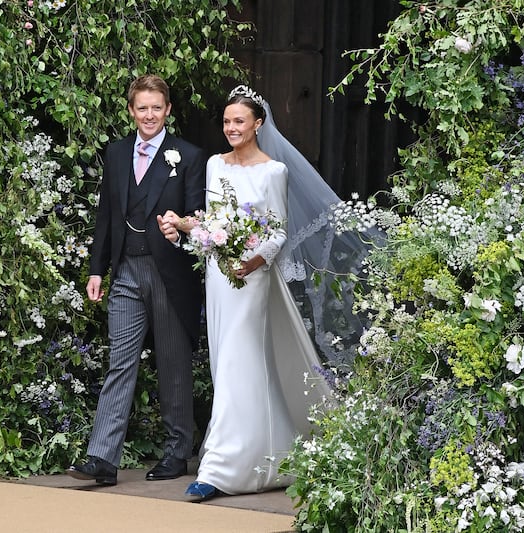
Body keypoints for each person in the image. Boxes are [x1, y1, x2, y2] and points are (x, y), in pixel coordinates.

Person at [161, 85, 368, 501]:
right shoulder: (216, 165)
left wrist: (252, 262)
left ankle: (220, 469)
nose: (231, 128)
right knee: (228, 366)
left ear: (258, 124)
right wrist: (186, 227)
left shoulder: (274, 171)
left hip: (251, 277)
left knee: (239, 361)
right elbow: (214, 221)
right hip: (220, 276)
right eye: (226, 121)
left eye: (239, 121)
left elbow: (276, 232)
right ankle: (267, 455)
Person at [67, 74, 206, 486]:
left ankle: (178, 452)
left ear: (168, 111)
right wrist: (97, 269)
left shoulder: (190, 155)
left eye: (156, 107)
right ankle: (102, 460)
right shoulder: (116, 152)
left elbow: (200, 216)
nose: (149, 115)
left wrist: (179, 226)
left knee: (173, 364)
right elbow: (106, 217)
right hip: (126, 270)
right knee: (120, 362)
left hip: (169, 273)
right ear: (132, 111)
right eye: (142, 107)